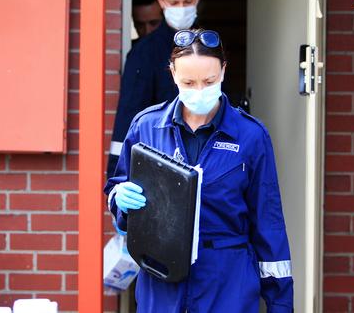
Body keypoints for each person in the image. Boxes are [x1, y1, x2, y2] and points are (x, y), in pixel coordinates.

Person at [104, 29, 294, 312]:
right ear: (172, 74)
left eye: (209, 80)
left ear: (224, 71)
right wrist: (119, 199)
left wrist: (280, 304)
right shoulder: (146, 127)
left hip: (228, 283)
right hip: (162, 282)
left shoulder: (250, 136)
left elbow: (269, 226)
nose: (200, 91)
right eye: (188, 82)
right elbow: (118, 186)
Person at [108, 0, 202, 178]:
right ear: (161, 1)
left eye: (186, 2)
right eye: (174, 2)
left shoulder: (211, 47)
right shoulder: (144, 53)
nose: (181, 8)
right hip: (160, 163)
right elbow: (129, 117)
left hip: (206, 162)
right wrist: (116, 180)